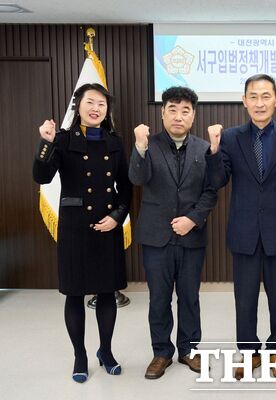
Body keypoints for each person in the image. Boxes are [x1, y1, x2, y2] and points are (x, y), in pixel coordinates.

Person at [33, 83, 132, 383]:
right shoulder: (63, 140)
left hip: (107, 228)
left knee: (106, 292)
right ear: (78, 106)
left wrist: (117, 217)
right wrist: (45, 143)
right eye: (90, 102)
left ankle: (106, 351)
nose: (96, 108)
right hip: (75, 229)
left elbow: (126, 187)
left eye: (102, 103)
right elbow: (42, 176)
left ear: (107, 109)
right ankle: (80, 355)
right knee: (74, 294)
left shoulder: (115, 142)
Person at [206, 74, 276, 381]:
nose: (260, 103)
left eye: (265, 96)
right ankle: (249, 353)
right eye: (253, 96)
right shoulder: (231, 138)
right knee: (245, 299)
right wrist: (213, 150)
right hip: (244, 231)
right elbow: (217, 180)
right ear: (244, 101)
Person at [129, 86, 217, 379]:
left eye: (185, 111)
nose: (178, 116)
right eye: (173, 110)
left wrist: (193, 219)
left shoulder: (203, 148)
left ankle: (189, 350)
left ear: (193, 116)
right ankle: (161, 352)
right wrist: (139, 146)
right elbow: (137, 178)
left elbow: (210, 191)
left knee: (190, 297)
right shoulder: (149, 144)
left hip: (191, 237)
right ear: (163, 113)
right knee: (159, 298)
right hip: (156, 237)